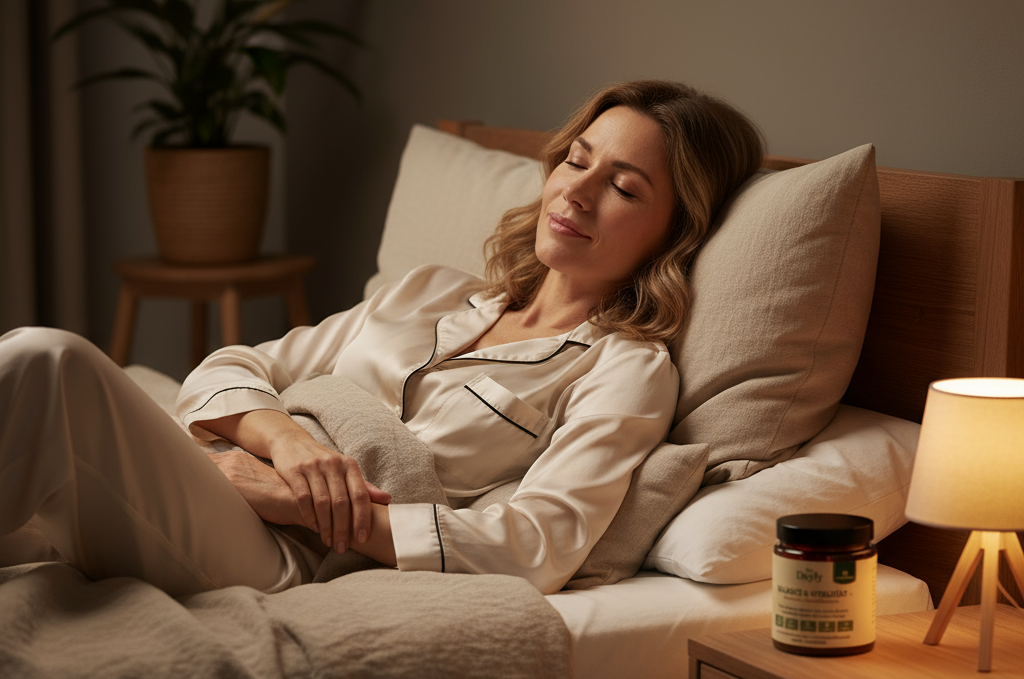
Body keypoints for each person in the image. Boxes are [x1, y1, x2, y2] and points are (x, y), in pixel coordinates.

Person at [0, 80, 764, 596]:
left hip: (284, 551)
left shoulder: (626, 371)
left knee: (50, 361)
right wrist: (285, 447)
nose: (578, 191)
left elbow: (536, 546)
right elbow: (238, 365)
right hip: (227, 478)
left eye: (624, 187)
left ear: (678, 229)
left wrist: (307, 506)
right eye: (576, 159)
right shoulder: (431, 291)